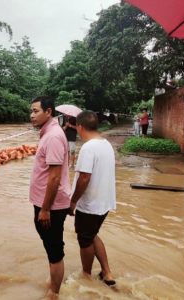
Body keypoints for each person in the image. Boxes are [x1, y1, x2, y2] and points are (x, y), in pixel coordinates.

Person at [29, 95, 71, 300]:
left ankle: (54, 294)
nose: (31, 115)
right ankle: (54, 284)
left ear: (49, 112)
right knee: (51, 247)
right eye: (31, 111)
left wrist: (45, 209)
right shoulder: (49, 133)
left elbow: (54, 177)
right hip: (46, 203)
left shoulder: (53, 136)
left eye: (36, 111)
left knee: (54, 250)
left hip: (51, 206)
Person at [68, 110, 116, 286]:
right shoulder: (106, 144)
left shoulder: (88, 147)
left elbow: (84, 178)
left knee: (85, 239)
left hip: (90, 204)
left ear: (80, 127)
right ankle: (106, 272)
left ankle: (86, 277)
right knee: (92, 234)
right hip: (104, 202)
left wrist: (73, 201)